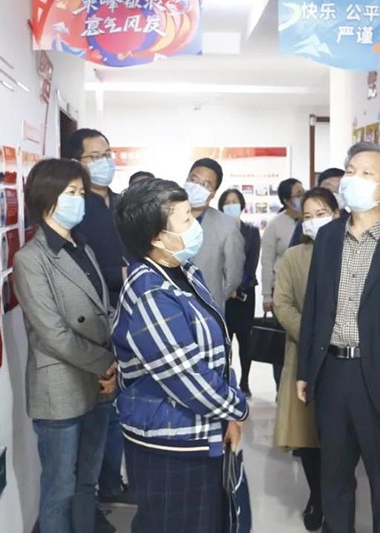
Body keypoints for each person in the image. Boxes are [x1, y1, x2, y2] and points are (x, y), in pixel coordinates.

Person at [297, 142, 380, 532]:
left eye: (367, 173)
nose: (354, 179)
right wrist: (306, 369)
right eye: (351, 171)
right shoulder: (328, 237)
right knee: (335, 476)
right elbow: (314, 307)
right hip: (332, 370)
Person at [112, 178, 249, 533]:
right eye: (186, 219)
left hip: (198, 432)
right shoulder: (150, 293)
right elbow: (187, 376)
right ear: (157, 238)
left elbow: (216, 354)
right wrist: (238, 408)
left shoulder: (183, 271)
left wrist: (227, 416)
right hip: (170, 445)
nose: (195, 225)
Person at [13, 158, 116, 533]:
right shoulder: (30, 259)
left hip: (99, 383)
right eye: (71, 192)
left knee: (88, 483)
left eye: (81, 192)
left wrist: (114, 362)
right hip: (60, 388)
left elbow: (102, 310)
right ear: (46, 198)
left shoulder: (82, 246)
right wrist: (106, 363)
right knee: (60, 489)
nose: (79, 200)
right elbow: (53, 333)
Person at [66, 128, 132, 510]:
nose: (105, 161)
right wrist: (119, 273)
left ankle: (112, 483)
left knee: (117, 410)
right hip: (93, 323)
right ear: (76, 162)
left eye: (108, 153)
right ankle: (90, 498)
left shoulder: (121, 203)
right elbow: (79, 267)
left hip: (127, 316)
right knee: (98, 412)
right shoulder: (77, 208)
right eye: (95, 156)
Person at [274, 187, 340, 531]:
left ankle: (337, 498)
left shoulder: (351, 253)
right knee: (308, 433)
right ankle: (317, 495)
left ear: (337, 214)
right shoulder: (294, 256)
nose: (313, 222)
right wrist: (314, 335)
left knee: (338, 436)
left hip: (344, 357)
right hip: (304, 355)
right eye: (307, 217)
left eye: (321, 214)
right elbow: (282, 303)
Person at [185, 157, 245, 310]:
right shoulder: (165, 217)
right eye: (194, 180)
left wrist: (214, 297)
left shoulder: (227, 226)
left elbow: (233, 277)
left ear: (213, 193)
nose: (197, 187)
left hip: (207, 309)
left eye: (206, 185)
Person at [262, 177, 304, 387]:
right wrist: (266, 296)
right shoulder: (275, 225)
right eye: (298, 195)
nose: (302, 197)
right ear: (287, 200)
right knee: (281, 341)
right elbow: (267, 261)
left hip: (304, 289)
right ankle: (281, 386)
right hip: (282, 290)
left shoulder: (310, 221)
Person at [218, 188, 260, 396]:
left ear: (242, 205)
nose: (231, 205)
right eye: (227, 202)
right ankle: (226, 380)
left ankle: (244, 381)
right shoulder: (217, 231)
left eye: (234, 201)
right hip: (223, 294)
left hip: (244, 295)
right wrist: (227, 287)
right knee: (224, 340)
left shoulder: (251, 232)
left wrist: (238, 286)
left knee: (245, 340)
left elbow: (251, 264)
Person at [289, 168, 346, 247]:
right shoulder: (307, 221)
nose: (335, 195)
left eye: (339, 190)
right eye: (329, 191)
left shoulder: (354, 219)